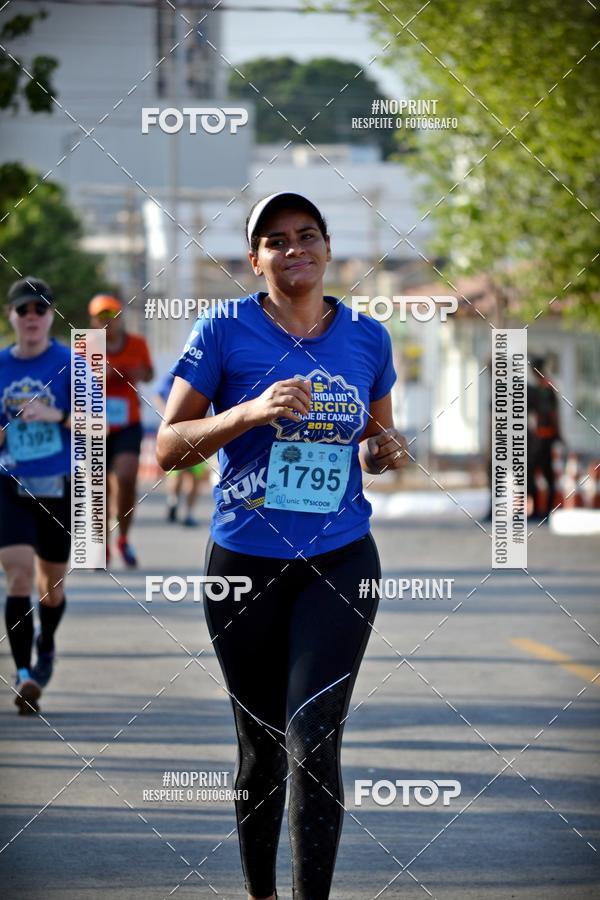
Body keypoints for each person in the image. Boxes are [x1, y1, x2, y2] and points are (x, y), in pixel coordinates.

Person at [157, 192, 408, 900]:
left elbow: (378, 440)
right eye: (275, 239)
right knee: (262, 746)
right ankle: (261, 894)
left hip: (340, 560)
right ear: (254, 258)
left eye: (306, 236)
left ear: (328, 249)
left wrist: (387, 450)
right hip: (245, 566)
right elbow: (168, 448)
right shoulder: (224, 330)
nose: (293, 249)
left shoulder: (367, 336)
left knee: (315, 735)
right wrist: (248, 411)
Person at [0, 277, 72, 714]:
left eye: (40, 310)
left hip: (58, 486)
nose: (32, 317)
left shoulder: (71, 363)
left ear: (50, 317)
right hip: (8, 482)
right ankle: (25, 673)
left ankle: (45, 641)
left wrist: (55, 413)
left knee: (52, 589)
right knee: (20, 576)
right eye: (23, 309)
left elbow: (96, 424)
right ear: (11, 315)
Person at [88, 294, 154, 566]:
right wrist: (103, 375)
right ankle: (100, 544)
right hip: (94, 423)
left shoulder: (137, 343)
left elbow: (150, 374)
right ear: (93, 320)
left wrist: (137, 373)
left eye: (111, 315)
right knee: (98, 486)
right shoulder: (85, 345)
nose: (107, 322)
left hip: (128, 421)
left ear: (119, 317)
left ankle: (123, 538)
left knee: (126, 479)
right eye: (101, 317)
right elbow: (76, 382)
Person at [153, 371, 209, 526]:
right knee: (177, 474)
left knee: (195, 477)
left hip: (199, 433)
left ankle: (189, 513)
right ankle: (173, 500)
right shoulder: (176, 374)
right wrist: (168, 413)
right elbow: (157, 393)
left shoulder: (210, 372)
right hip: (177, 433)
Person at [528, 355, 562, 520]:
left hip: (546, 437)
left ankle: (546, 511)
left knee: (547, 474)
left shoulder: (547, 387)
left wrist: (558, 434)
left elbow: (553, 414)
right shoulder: (536, 388)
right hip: (538, 437)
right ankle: (536, 510)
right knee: (531, 472)